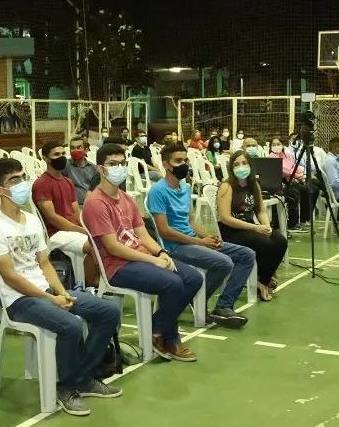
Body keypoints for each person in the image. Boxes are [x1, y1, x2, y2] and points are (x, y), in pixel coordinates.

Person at [0, 157, 120, 415]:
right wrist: (51, 299)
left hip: (48, 290)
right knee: (71, 325)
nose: (22, 183)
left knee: (109, 312)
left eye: (23, 177)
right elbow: (10, 278)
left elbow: (44, 262)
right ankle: (64, 386)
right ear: (0, 190)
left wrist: (62, 292)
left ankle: (83, 377)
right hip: (19, 300)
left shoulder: (32, 220)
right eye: (14, 180)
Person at [82, 143, 202, 362]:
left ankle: (156, 326)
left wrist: (161, 252)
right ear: (100, 169)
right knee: (173, 283)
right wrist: (152, 260)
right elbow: (113, 247)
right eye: (112, 164)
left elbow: (142, 234)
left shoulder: (126, 199)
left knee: (192, 277)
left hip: (139, 258)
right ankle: (169, 338)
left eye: (122, 163)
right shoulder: (96, 203)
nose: (119, 168)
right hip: (117, 266)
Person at [147, 142, 252, 328]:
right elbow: (164, 231)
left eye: (185, 160)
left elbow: (191, 222)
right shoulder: (158, 191)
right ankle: (197, 299)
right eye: (178, 161)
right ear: (166, 164)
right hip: (175, 247)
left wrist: (208, 237)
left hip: (193, 241)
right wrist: (200, 242)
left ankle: (223, 305)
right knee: (224, 262)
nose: (183, 164)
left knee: (246, 255)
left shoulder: (185, 188)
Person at [217, 150, 286, 301]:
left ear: (250, 165)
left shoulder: (254, 185)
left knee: (280, 241)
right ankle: (260, 279)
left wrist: (266, 225)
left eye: (244, 163)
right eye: (236, 164)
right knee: (265, 243)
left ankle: (263, 280)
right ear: (231, 168)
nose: (240, 167)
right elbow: (225, 218)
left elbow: (260, 210)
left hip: (249, 227)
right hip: (231, 230)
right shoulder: (227, 186)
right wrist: (256, 228)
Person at [33, 141, 99, 288]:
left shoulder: (68, 182)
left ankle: (93, 283)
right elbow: (53, 218)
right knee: (95, 245)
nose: (61, 157)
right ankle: (91, 285)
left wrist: (86, 227)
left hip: (72, 230)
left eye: (63, 154)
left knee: (103, 239)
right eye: (56, 154)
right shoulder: (41, 184)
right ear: (46, 158)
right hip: (57, 234)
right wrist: (83, 230)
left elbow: (76, 211)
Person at [269, 136, 315, 231]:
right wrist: (298, 176)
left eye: (278, 144)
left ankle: (304, 218)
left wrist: (301, 173)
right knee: (294, 193)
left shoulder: (286, 155)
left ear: (282, 145)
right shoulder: (272, 157)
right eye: (274, 144)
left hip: (292, 179)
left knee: (312, 190)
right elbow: (286, 171)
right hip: (281, 183)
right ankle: (292, 224)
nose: (276, 146)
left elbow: (295, 166)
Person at [63, 136, 98, 205]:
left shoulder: (93, 168)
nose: (75, 150)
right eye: (72, 148)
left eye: (79, 147)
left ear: (86, 150)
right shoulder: (64, 166)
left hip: (91, 205)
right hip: (73, 206)